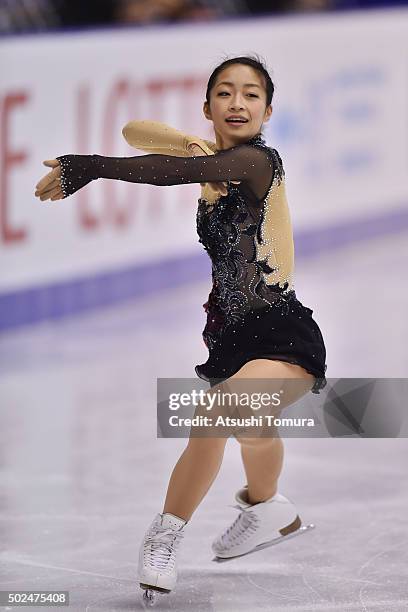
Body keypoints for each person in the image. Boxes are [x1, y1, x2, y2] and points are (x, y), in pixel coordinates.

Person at [34, 54, 327, 602]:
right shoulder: (212, 157)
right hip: (229, 339)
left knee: (216, 415)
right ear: (208, 105)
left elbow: (172, 171)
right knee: (249, 426)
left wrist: (93, 165)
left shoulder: (259, 162)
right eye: (224, 93)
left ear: (268, 110)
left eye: (250, 94)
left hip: (284, 333)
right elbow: (138, 131)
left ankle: (165, 536)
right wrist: (195, 144)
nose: (237, 103)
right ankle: (269, 509)